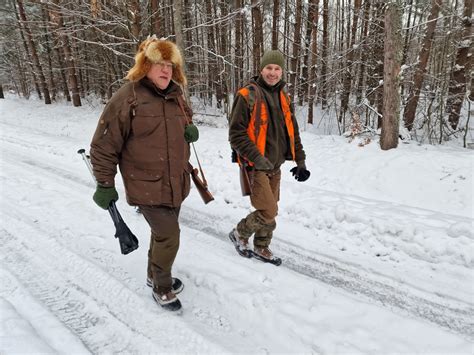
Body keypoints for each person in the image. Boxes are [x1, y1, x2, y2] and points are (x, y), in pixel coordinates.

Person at [90, 36, 199, 311]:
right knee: (169, 234)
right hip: (146, 184)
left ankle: (153, 273)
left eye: (170, 65)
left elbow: (186, 116)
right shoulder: (129, 97)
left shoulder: (175, 94)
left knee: (162, 234)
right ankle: (162, 285)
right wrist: (105, 183)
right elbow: (104, 144)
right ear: (145, 66)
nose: (166, 70)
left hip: (176, 181)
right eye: (159, 64)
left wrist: (189, 129)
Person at [228, 49, 310, 262]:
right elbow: (236, 135)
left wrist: (300, 161)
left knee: (271, 210)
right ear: (261, 69)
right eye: (269, 68)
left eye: (277, 68)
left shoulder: (283, 96)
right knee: (268, 209)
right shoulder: (247, 95)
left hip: (276, 165)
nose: (272, 73)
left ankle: (261, 246)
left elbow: (293, 131)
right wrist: (257, 158)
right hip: (255, 166)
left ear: (282, 72)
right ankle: (239, 233)